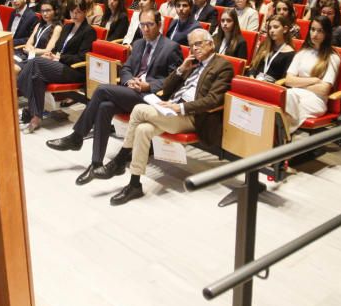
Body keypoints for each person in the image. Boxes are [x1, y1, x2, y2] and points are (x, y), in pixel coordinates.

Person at [93, 29, 235, 205]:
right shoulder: (192, 64)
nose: (195, 48)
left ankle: (119, 161)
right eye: (191, 45)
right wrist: (181, 69)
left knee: (138, 109)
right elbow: (166, 88)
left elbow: (213, 100)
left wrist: (180, 107)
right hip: (171, 111)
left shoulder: (223, 66)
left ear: (211, 44)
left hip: (192, 116)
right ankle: (134, 185)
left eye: (198, 44)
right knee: (143, 130)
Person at [46, 9, 182, 183]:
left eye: (150, 25)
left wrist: (148, 85)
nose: (146, 29)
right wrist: (128, 81)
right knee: (104, 107)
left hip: (150, 98)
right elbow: (125, 69)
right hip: (131, 92)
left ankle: (77, 137)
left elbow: (173, 81)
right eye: (142, 25)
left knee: (102, 90)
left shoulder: (171, 47)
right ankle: (96, 164)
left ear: (159, 25)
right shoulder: (139, 44)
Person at [18, 0, 96, 133]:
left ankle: (29, 105)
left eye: (78, 12)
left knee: (34, 62)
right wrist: (51, 54)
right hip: (58, 64)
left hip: (74, 70)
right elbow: (57, 48)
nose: (74, 15)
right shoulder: (67, 26)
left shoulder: (89, 31)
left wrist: (60, 57)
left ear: (85, 12)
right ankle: (36, 117)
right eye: (72, 12)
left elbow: (82, 56)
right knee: (36, 76)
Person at [281, 16, 341, 132]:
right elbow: (288, 80)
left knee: (284, 109)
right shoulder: (302, 52)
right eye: (312, 29)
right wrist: (314, 80)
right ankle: (283, 139)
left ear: (327, 34)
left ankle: (282, 140)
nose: (314, 34)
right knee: (284, 99)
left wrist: (298, 83)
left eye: (320, 31)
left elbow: (324, 90)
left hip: (315, 101)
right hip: (295, 94)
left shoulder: (332, 57)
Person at [246, 16, 296, 82]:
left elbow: (284, 78)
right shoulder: (264, 45)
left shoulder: (290, 53)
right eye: (269, 28)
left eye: (275, 27)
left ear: (285, 29)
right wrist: (251, 76)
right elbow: (253, 66)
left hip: (271, 85)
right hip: (255, 80)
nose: (271, 30)